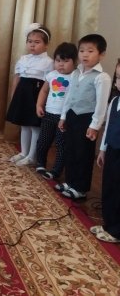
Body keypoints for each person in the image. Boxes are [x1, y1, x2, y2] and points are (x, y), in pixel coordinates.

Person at [57, 34, 111, 200]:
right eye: (82, 51)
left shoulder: (102, 77)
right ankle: (70, 181)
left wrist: (95, 126)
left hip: (87, 119)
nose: (85, 55)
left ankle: (80, 188)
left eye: (90, 51)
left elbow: (101, 104)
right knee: (70, 150)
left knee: (83, 154)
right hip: (72, 115)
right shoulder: (76, 72)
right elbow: (69, 96)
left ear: (101, 54)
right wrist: (63, 116)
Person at [6, 23, 54, 166]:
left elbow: (48, 84)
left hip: (36, 96)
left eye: (37, 42)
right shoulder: (23, 59)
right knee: (24, 125)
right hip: (22, 94)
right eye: (30, 41)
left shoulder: (49, 62)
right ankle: (23, 152)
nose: (32, 45)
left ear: (46, 44)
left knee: (34, 126)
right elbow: (17, 78)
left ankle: (32, 156)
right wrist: (14, 95)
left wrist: (42, 102)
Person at [34, 42, 77, 179]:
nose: (61, 64)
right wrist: (39, 105)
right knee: (43, 141)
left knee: (61, 144)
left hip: (64, 118)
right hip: (48, 114)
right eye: (58, 61)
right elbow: (44, 91)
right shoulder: (51, 75)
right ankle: (40, 163)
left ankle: (56, 170)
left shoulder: (76, 76)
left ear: (75, 61)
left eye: (66, 61)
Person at [91, 60, 120, 243]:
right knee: (109, 187)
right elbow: (108, 126)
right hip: (112, 150)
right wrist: (102, 150)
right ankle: (109, 224)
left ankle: (116, 231)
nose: (119, 82)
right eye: (118, 77)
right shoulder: (115, 101)